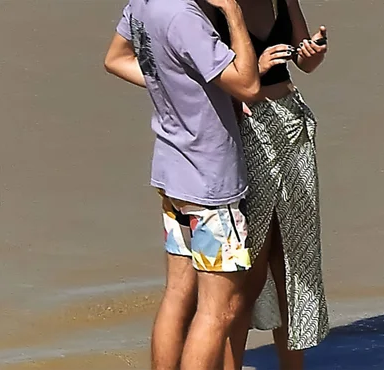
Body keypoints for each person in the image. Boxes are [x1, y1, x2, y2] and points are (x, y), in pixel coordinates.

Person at [103, 0, 264, 369]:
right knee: (218, 311)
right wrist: (233, 12)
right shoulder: (185, 17)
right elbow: (249, 84)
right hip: (210, 183)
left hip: (173, 175)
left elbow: (116, 58)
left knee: (177, 294)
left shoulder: (145, 6)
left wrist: (181, 86)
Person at [213, 0, 331, 368]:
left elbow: (305, 63)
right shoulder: (217, 8)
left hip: (292, 126)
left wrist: (313, 51)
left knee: (294, 257)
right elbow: (200, 73)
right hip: (248, 132)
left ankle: (293, 365)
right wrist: (253, 69)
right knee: (250, 263)